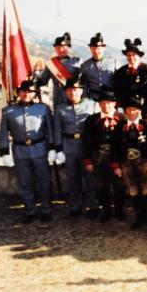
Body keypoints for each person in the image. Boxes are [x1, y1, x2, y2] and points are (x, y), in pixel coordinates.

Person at [0, 80, 55, 223]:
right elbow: (3, 133)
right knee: (25, 182)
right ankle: (30, 210)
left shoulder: (43, 109)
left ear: (34, 94)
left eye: (30, 92)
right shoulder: (8, 111)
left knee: (43, 181)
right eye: (24, 91)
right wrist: (4, 152)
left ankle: (46, 209)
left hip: (40, 149)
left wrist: (52, 148)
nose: (26, 94)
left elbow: (50, 130)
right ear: (19, 93)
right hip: (20, 151)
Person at [111, 95, 147, 230]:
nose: (131, 112)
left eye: (135, 109)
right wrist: (116, 166)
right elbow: (114, 147)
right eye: (129, 109)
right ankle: (139, 217)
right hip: (127, 166)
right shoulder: (120, 126)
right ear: (125, 111)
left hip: (145, 164)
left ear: (139, 111)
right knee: (133, 191)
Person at [53, 77, 98, 218]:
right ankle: (75, 206)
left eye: (76, 90)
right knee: (73, 178)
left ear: (81, 91)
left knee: (90, 177)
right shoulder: (60, 108)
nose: (73, 93)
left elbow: (97, 126)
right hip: (69, 146)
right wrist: (58, 149)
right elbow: (57, 130)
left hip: (86, 145)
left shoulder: (92, 105)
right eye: (70, 90)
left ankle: (94, 205)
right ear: (66, 92)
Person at [82, 87, 126, 222]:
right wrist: (88, 161)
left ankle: (119, 211)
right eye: (103, 103)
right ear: (99, 104)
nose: (106, 106)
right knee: (101, 186)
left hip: (117, 158)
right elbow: (86, 141)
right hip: (99, 158)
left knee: (119, 185)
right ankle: (107, 211)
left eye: (109, 103)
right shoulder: (91, 120)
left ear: (114, 104)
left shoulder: (122, 119)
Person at [35, 31, 82, 107]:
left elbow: (82, 81)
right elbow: (43, 80)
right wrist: (34, 80)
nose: (61, 49)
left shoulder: (77, 62)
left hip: (73, 96)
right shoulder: (51, 64)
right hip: (58, 97)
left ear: (68, 47)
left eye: (63, 47)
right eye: (58, 47)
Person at [112, 38, 147, 107]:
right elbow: (117, 90)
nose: (131, 57)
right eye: (128, 55)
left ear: (139, 55)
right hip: (126, 106)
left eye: (133, 55)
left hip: (143, 106)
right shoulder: (121, 71)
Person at [79, 32, 118, 102]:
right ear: (90, 49)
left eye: (98, 48)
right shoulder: (85, 65)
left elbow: (119, 82)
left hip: (109, 99)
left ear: (103, 48)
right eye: (93, 49)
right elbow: (84, 85)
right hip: (93, 99)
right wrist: (84, 100)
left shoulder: (114, 62)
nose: (96, 51)